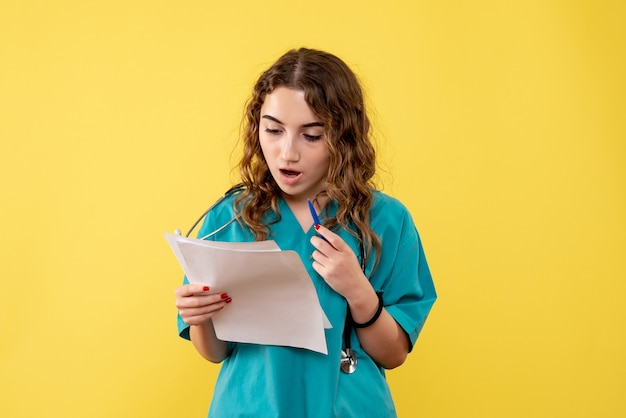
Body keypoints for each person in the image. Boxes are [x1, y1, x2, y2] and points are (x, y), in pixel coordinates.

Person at [174, 47, 437, 418]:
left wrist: (358, 291)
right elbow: (215, 353)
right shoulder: (230, 218)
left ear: (343, 138)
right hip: (250, 408)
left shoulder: (386, 220)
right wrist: (200, 315)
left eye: (311, 136)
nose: (287, 153)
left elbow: (393, 355)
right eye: (273, 130)